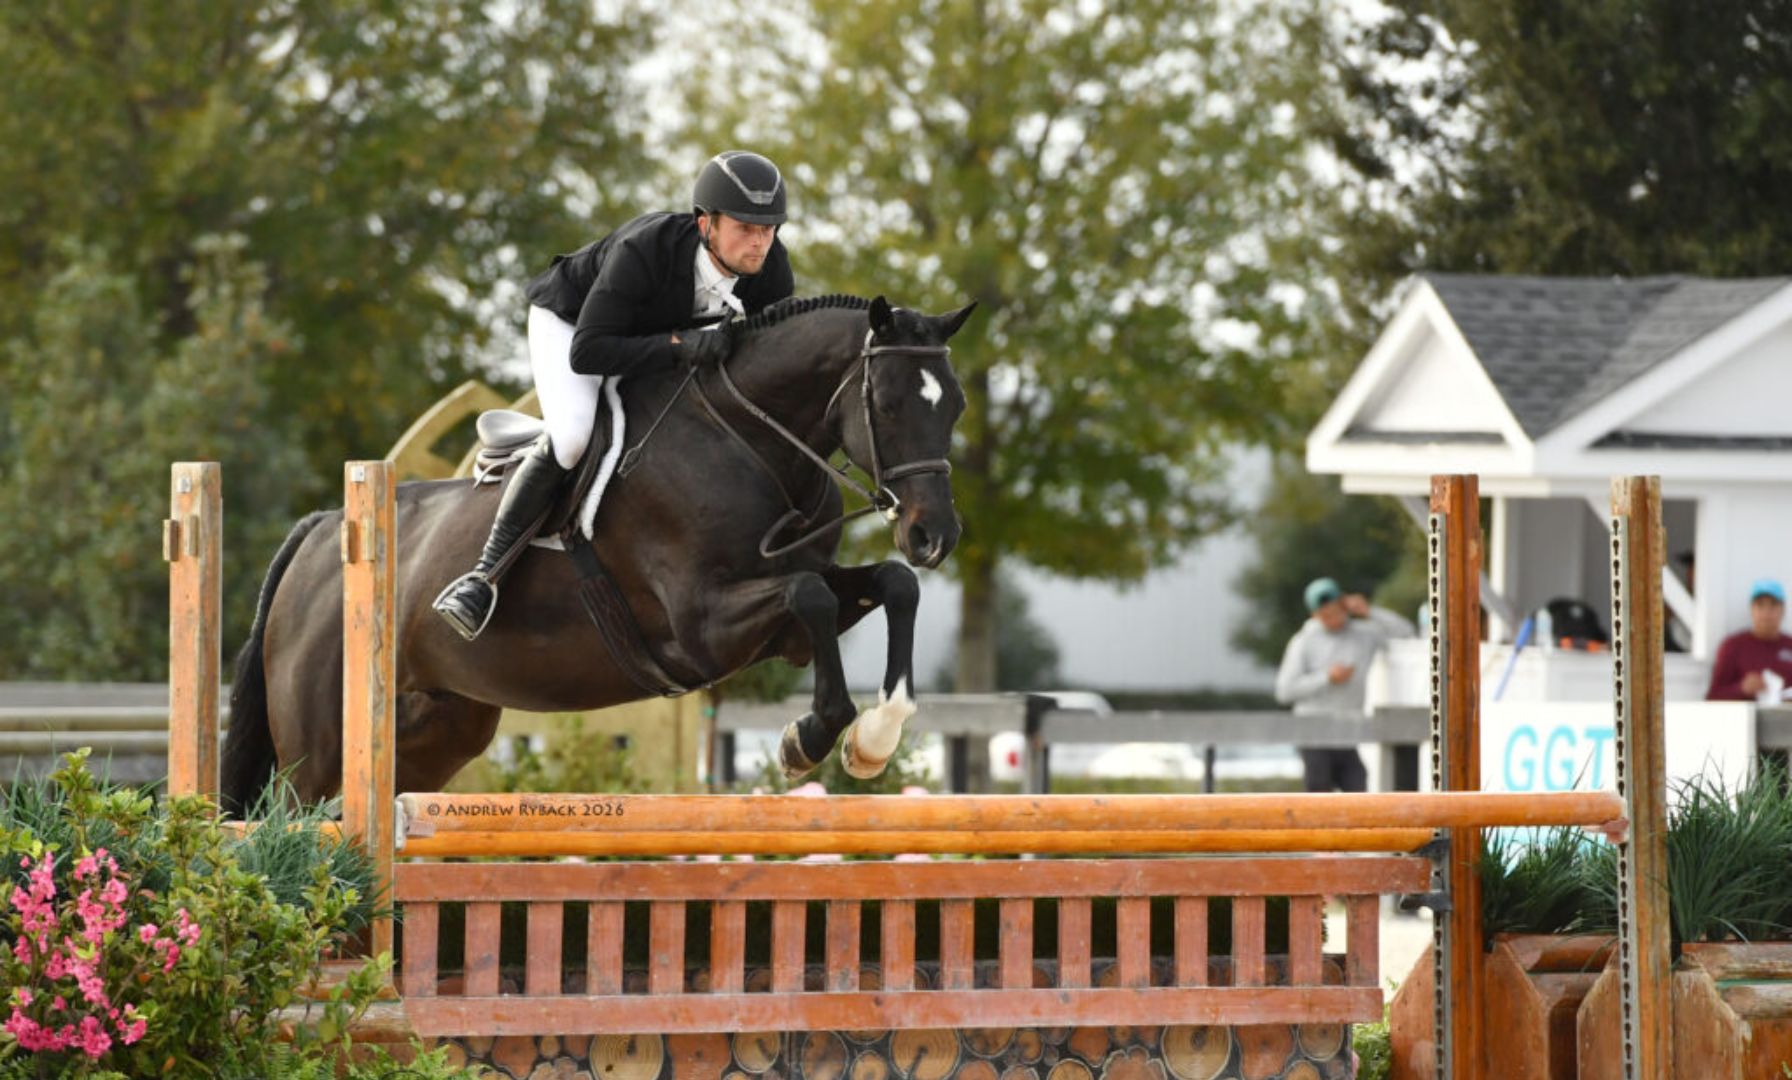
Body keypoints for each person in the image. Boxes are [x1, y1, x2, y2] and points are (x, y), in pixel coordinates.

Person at [434, 151, 797, 640]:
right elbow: (590, 352)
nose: (759, 243)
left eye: (769, 229)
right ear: (705, 223)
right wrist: (679, 345)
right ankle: (483, 576)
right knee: (573, 438)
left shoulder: (772, 272)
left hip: (653, 342)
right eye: (745, 228)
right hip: (573, 327)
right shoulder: (646, 248)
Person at [1275, 576, 1414, 792]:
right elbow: (1284, 690)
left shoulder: (1364, 633)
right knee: (1319, 791)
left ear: (1344, 604)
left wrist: (1370, 611)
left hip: (1348, 731)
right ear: (1315, 615)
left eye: (1336, 610)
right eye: (1326, 614)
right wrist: (1326, 678)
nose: (1333, 619)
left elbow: (1406, 632)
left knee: (1357, 785)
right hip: (1313, 733)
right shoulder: (1303, 641)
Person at [1705, 578, 1792, 702]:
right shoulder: (1733, 646)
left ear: (1783, 610)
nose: (1766, 612)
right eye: (1760, 605)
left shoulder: (1790, 645)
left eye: (1773, 605)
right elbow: (1712, 696)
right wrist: (1741, 689)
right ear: (1752, 609)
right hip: (1745, 720)